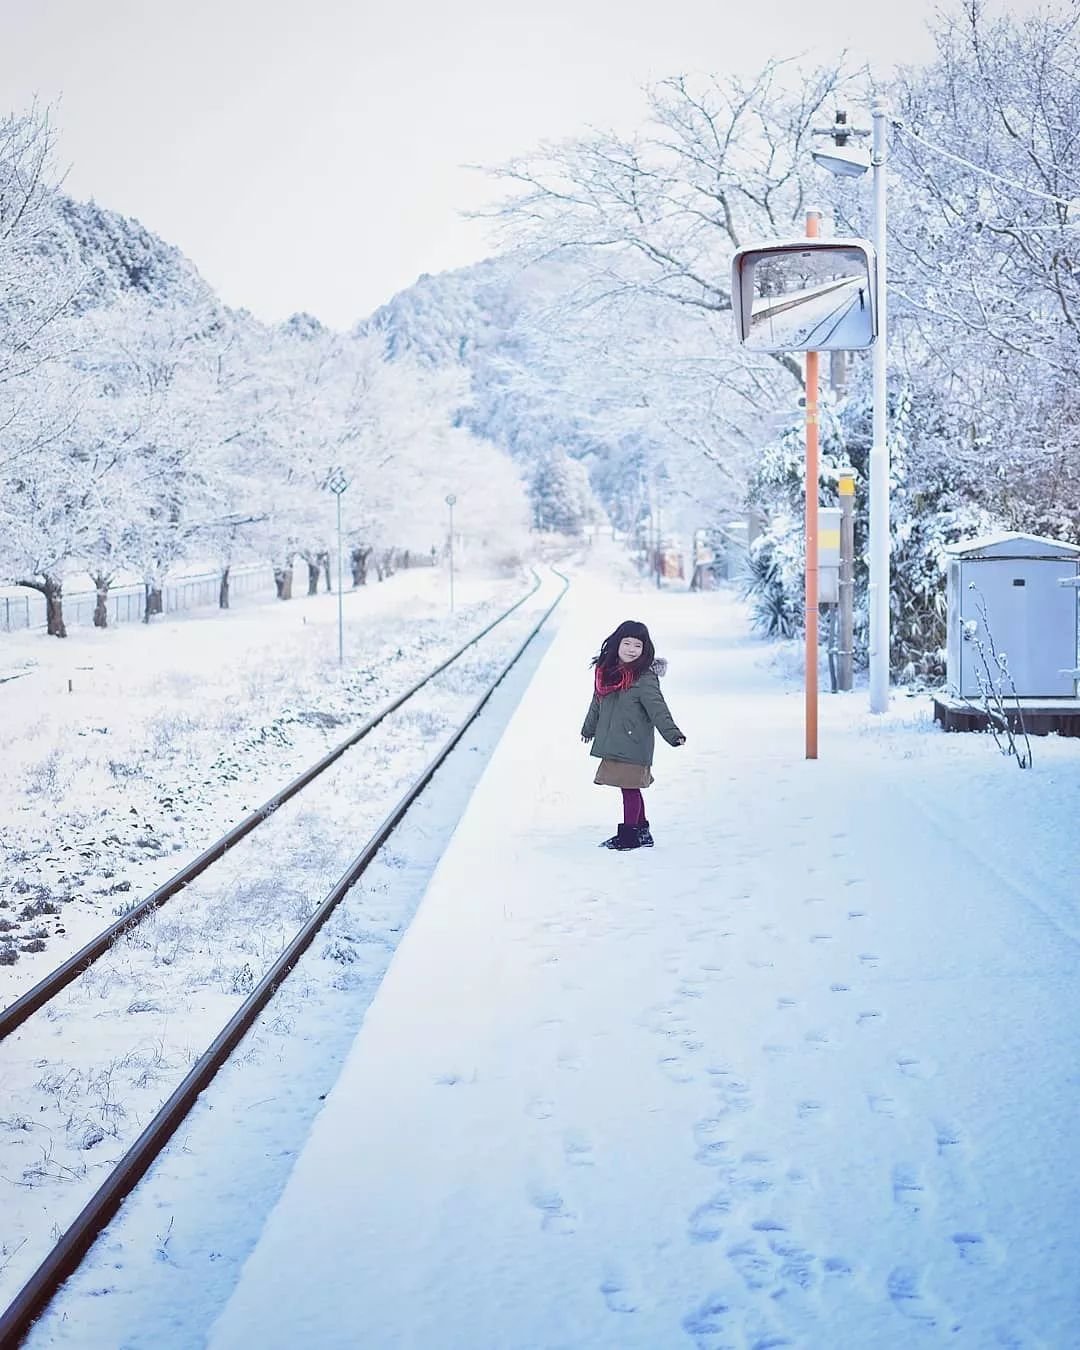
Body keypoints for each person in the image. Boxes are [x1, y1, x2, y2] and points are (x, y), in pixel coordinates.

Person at [580, 620, 686, 851]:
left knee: (629, 789)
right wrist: (588, 728)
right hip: (615, 740)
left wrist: (673, 734)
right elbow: (596, 703)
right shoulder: (606, 673)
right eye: (626, 643)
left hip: (634, 742)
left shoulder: (644, 678)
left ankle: (628, 837)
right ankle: (642, 832)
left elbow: (658, 708)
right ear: (617, 644)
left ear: (645, 649)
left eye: (637, 646)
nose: (631, 650)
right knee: (629, 788)